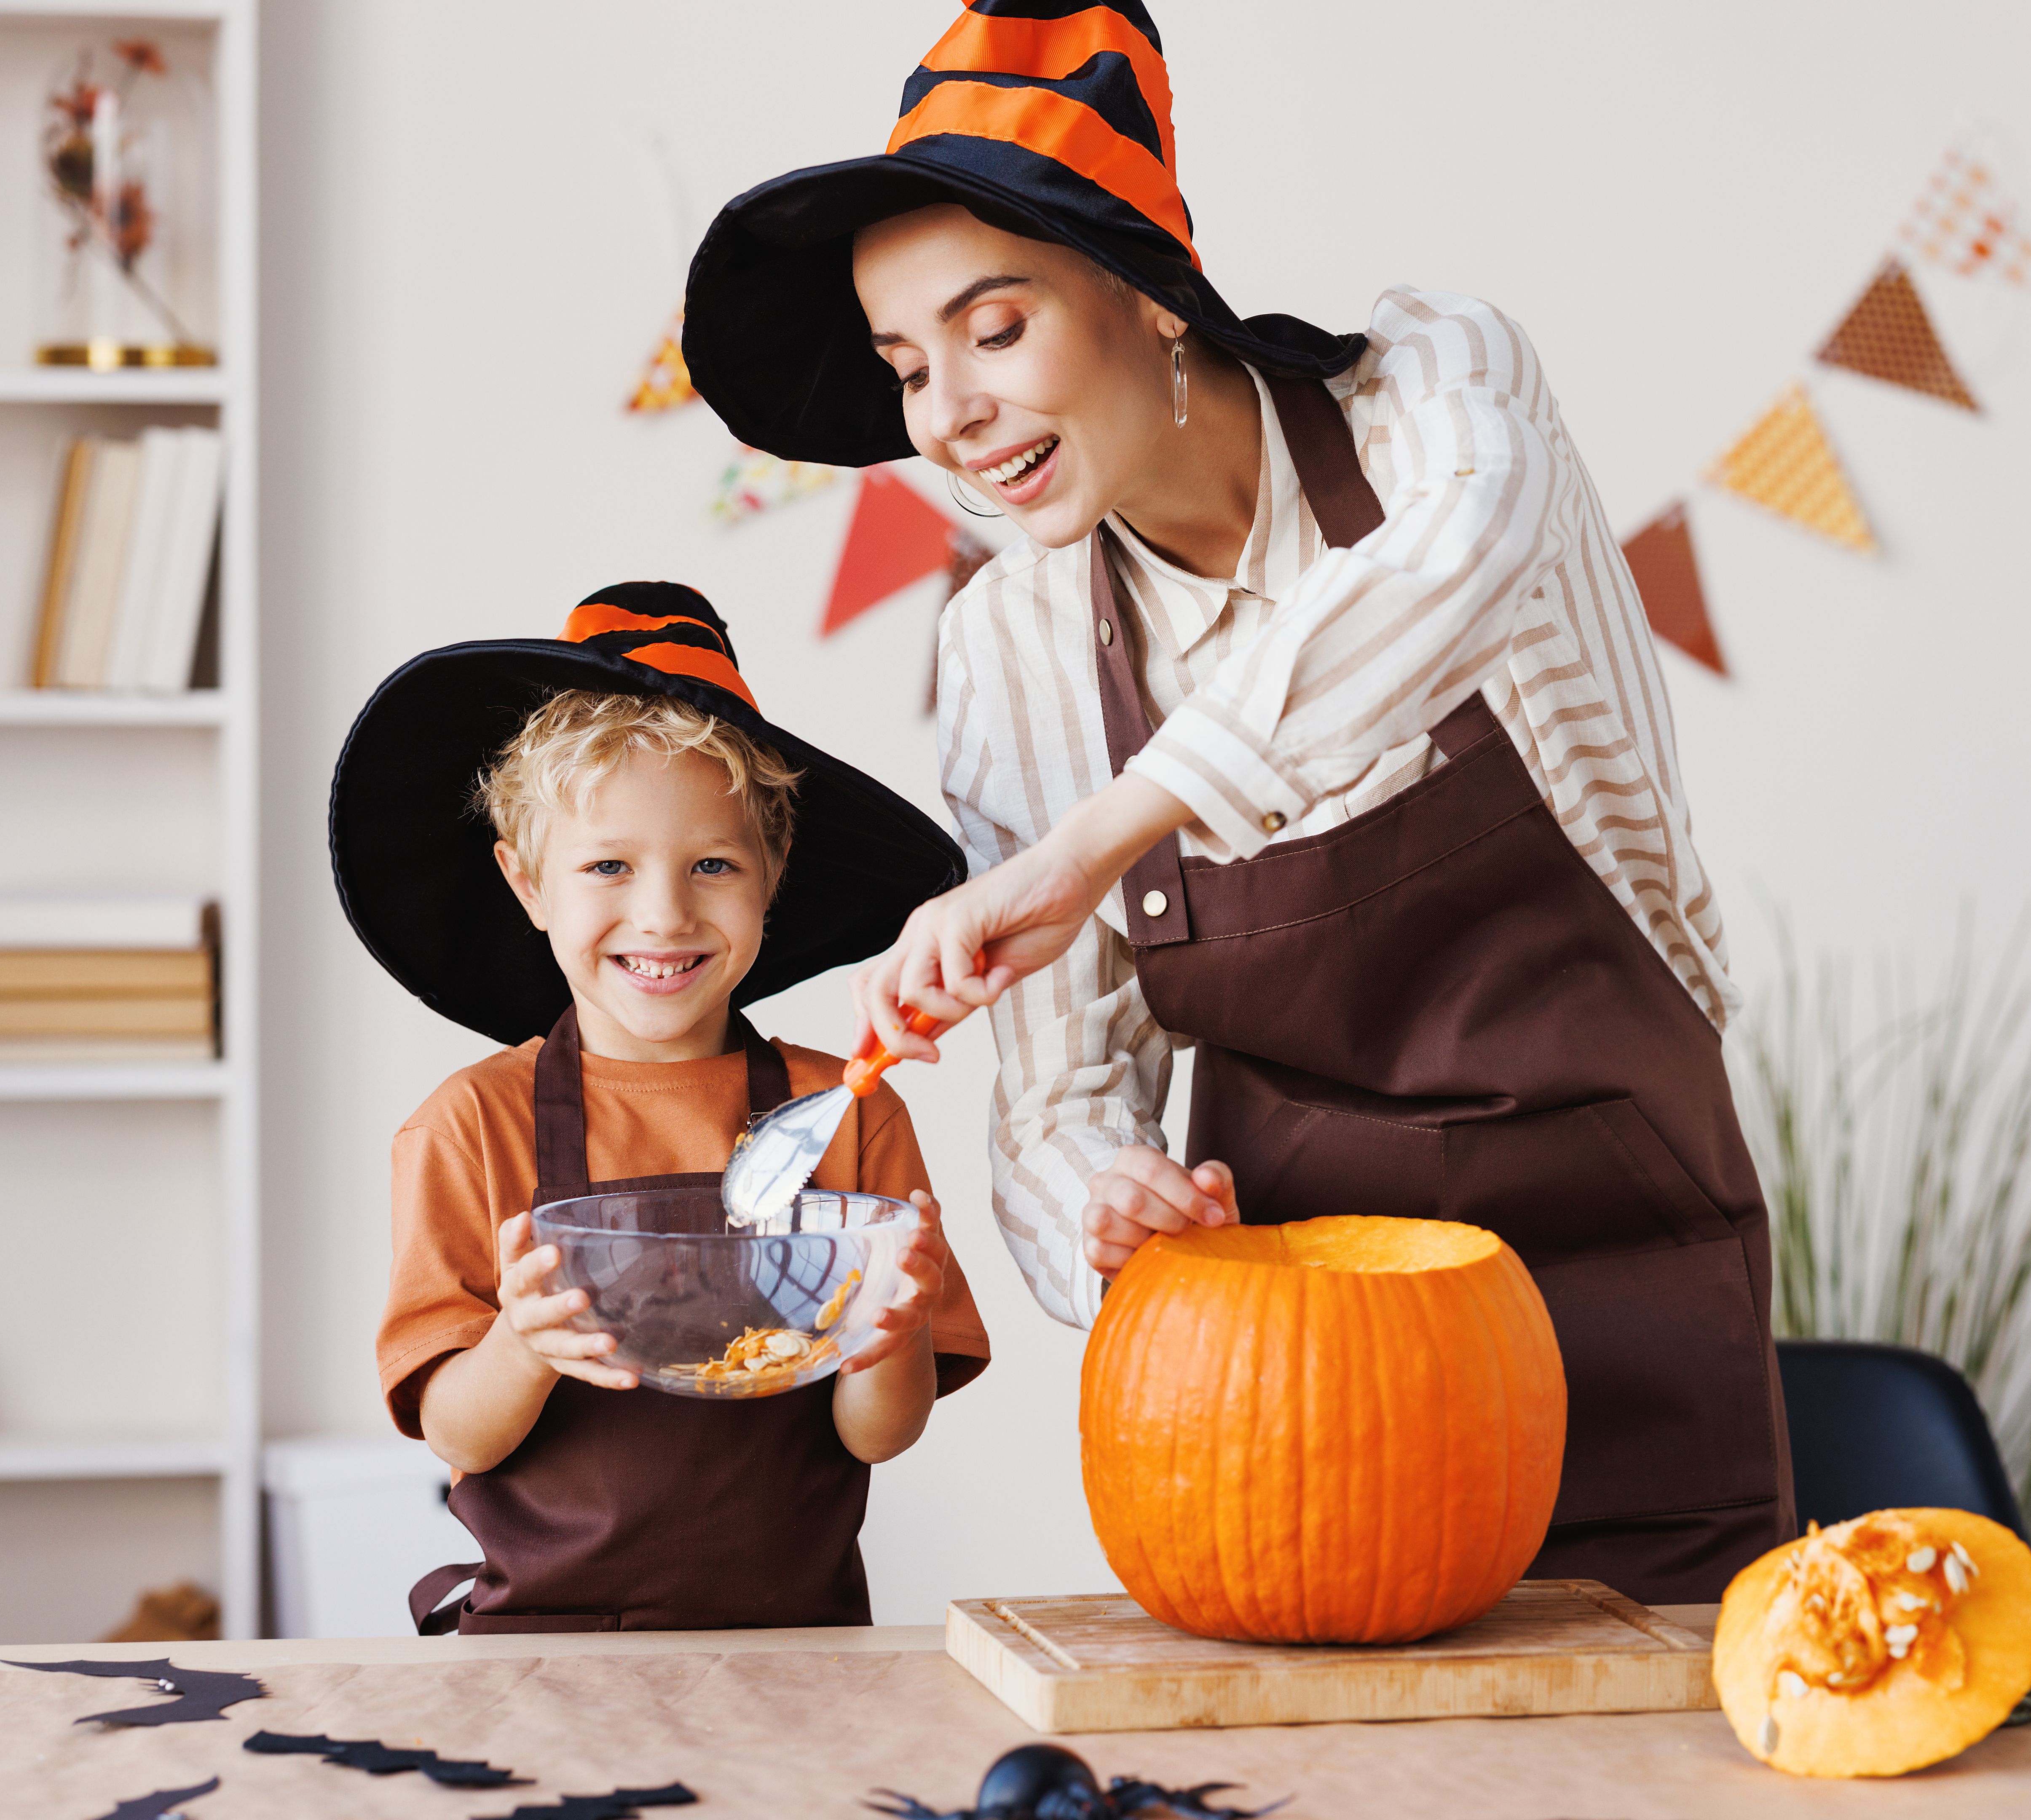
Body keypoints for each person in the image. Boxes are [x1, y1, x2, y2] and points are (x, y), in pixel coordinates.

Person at [681, 1, 1792, 1601]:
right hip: (1293, 1398)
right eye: (907, 367)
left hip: (1625, 1296)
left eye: (994, 332)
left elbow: (1436, 589)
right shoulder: (1014, 642)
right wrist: (1107, 1204)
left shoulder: (1436, 401)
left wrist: (1097, 839)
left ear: (1147, 297)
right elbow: (1058, 1102)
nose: (949, 416)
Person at [329, 581, 991, 1633]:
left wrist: (893, 1328)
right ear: (527, 883)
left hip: (802, 1649)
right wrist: (521, 1345)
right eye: (607, 866)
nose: (663, 913)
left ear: (772, 877)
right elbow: (457, 1436)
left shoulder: (850, 1108)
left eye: (713, 865)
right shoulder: (469, 1125)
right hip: (540, 1652)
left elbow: (878, 1436)